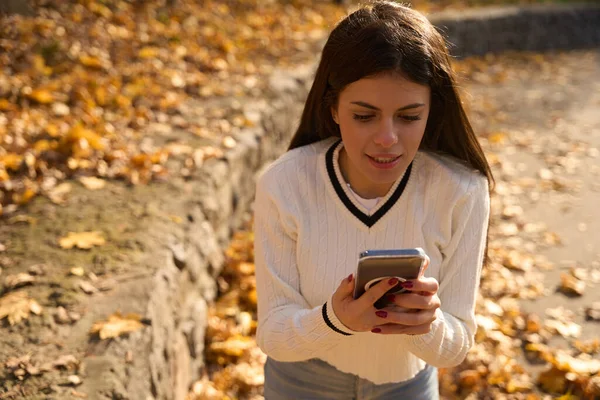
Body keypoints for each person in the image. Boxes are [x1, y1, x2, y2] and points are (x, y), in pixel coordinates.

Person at [253, 1, 493, 399]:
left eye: (409, 116)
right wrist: (335, 319)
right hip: (301, 384)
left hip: (407, 387)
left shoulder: (462, 190)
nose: (387, 139)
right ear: (332, 108)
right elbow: (273, 335)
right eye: (365, 116)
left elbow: (457, 344)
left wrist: (423, 323)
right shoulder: (285, 183)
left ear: (433, 111)